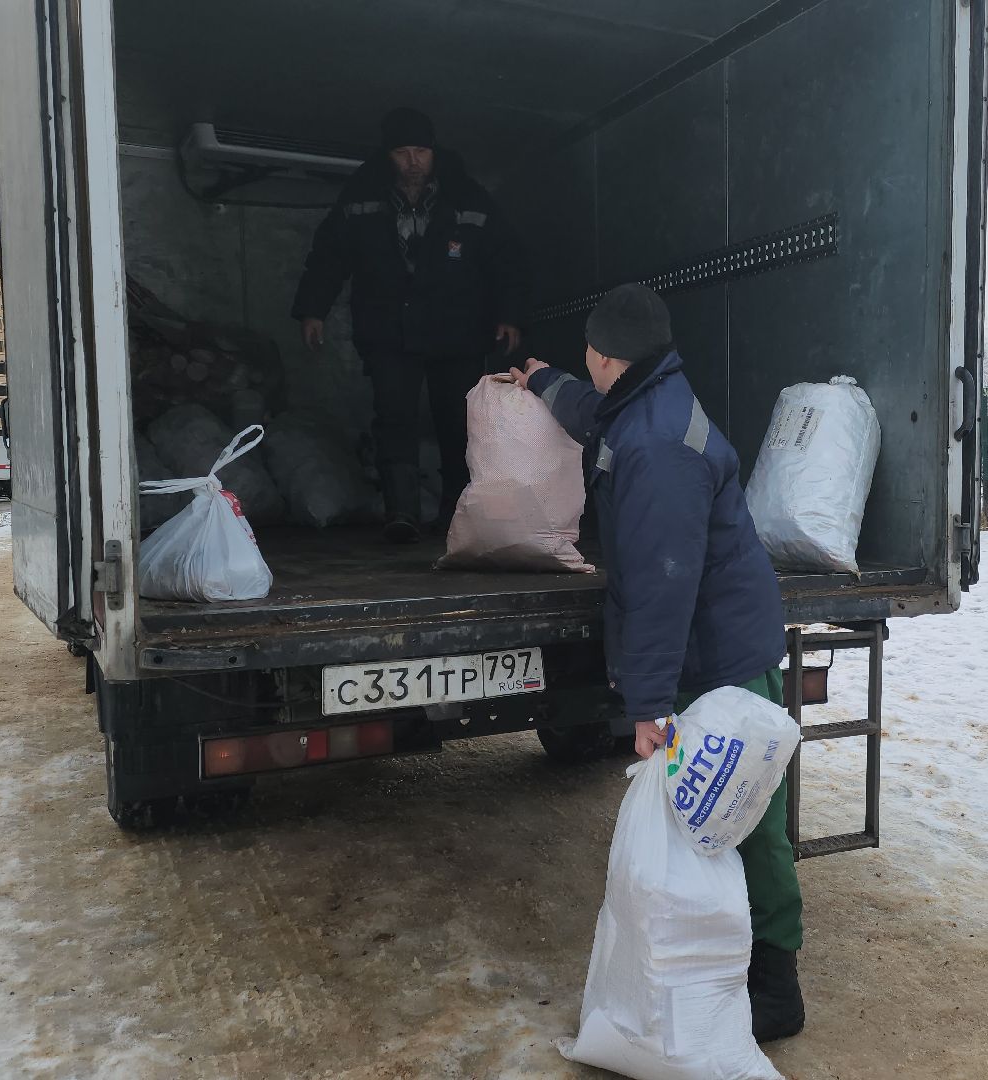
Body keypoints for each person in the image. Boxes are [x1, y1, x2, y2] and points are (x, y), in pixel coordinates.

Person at [510, 284, 806, 1043]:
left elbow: (663, 588)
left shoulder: (659, 447)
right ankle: (714, 956)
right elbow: (592, 413)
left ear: (603, 355)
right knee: (706, 815)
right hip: (710, 640)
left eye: (583, 356)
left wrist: (645, 706)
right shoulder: (644, 398)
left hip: (721, 655)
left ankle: (776, 982)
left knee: (748, 816)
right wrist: (540, 380)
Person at [291, 106, 530, 543]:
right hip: (388, 331)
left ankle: (458, 513)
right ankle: (401, 513)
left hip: (457, 331)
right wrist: (313, 310)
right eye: (402, 152)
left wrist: (509, 315)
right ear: (388, 156)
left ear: (435, 152)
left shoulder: (468, 197)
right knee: (395, 417)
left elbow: (506, 260)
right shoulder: (361, 196)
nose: (413, 160)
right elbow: (328, 256)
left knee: (458, 422)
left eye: (421, 150)